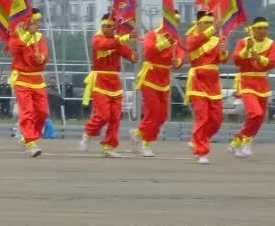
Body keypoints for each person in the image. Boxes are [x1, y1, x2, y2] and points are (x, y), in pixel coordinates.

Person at [79, 12, 135, 156]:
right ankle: (88, 133)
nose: (110, 29)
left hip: (114, 81)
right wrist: (124, 38)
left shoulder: (117, 40)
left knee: (115, 117)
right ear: (102, 26)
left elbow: (129, 54)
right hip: (100, 80)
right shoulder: (97, 39)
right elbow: (104, 45)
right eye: (107, 26)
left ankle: (109, 147)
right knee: (103, 115)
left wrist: (134, 54)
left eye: (112, 27)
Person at [180, 10, 226, 163]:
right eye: (205, 23)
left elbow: (220, 60)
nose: (209, 26)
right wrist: (214, 29)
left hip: (213, 82)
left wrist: (224, 51)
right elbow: (193, 45)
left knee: (216, 120)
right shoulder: (191, 38)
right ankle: (201, 151)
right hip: (198, 81)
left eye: (210, 23)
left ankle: (198, 138)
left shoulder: (216, 40)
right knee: (202, 117)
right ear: (198, 24)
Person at [4, 8, 51, 156]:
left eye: (38, 22)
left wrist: (41, 58)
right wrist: (25, 36)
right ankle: (30, 142)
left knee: (43, 112)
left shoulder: (39, 37)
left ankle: (29, 137)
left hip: (37, 79)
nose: (37, 25)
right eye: (34, 22)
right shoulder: (17, 35)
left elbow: (44, 55)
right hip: (22, 79)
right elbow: (13, 49)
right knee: (27, 111)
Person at [230, 17, 275, 158]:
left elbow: (273, 62)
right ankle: (246, 140)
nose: (263, 31)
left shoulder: (272, 44)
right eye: (259, 28)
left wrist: (259, 58)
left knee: (260, 117)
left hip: (262, 82)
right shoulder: (243, 42)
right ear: (253, 29)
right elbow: (236, 60)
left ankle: (238, 141)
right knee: (255, 113)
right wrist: (246, 49)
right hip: (246, 80)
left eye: (265, 28)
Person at [136, 12, 181, 158]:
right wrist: (165, 42)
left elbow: (179, 57)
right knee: (155, 112)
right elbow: (149, 51)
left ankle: (138, 133)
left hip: (164, 80)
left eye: (177, 21)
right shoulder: (152, 34)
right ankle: (146, 143)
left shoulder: (176, 40)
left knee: (162, 115)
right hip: (149, 78)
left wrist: (177, 62)